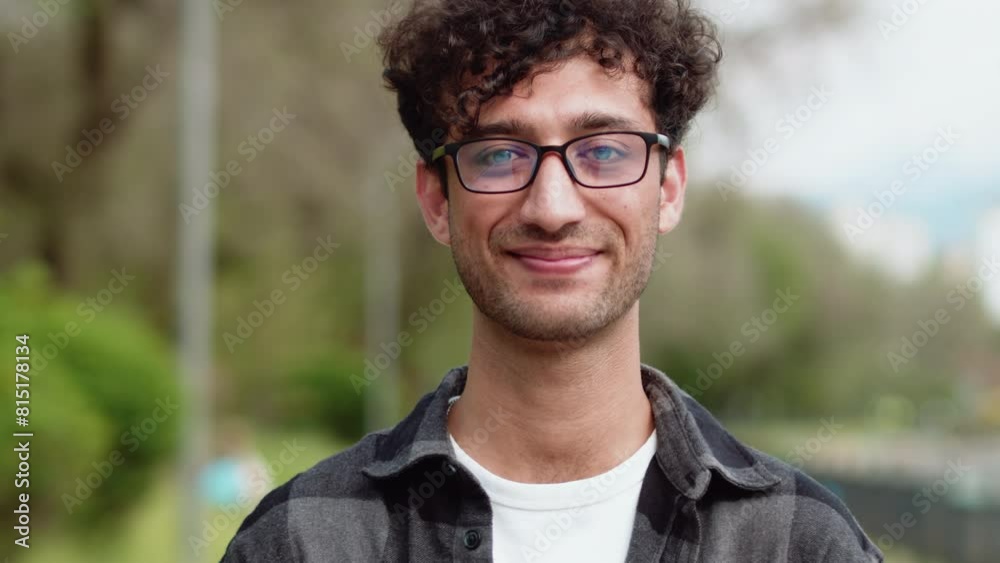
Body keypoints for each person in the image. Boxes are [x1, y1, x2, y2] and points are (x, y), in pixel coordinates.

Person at [222, 0, 883, 561]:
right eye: (501, 154)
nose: (553, 206)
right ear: (435, 201)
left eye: (603, 150)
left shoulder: (801, 543)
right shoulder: (303, 540)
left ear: (669, 186)